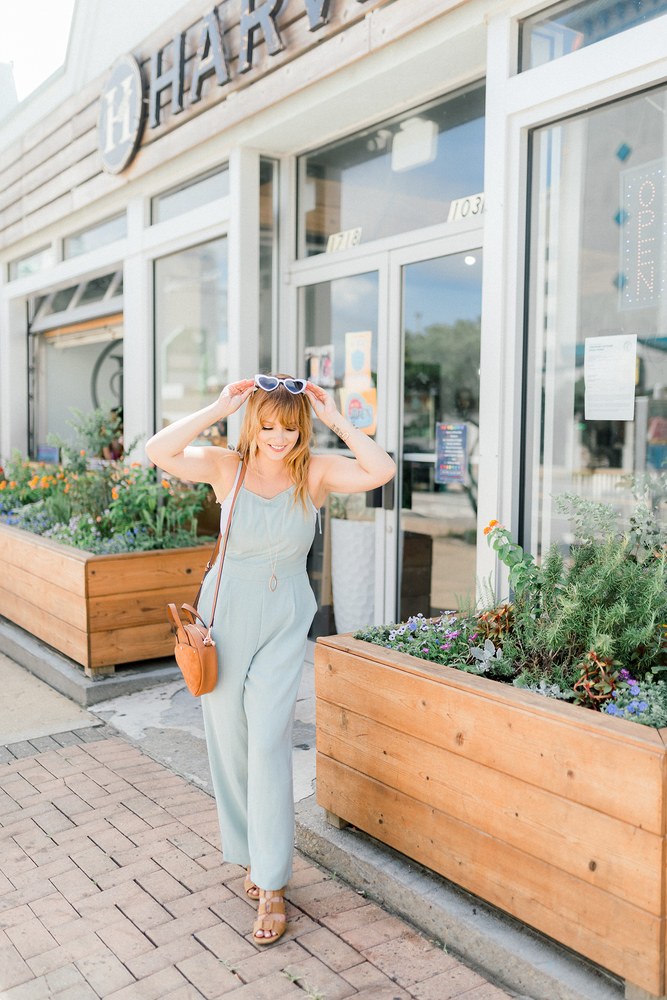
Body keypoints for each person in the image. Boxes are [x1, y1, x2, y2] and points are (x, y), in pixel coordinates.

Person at [145, 375, 395, 944]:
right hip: (225, 616)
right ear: (251, 425)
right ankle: (252, 856)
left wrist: (335, 420)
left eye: (288, 427)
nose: (278, 438)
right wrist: (218, 407)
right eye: (266, 426)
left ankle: (274, 881)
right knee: (229, 741)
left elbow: (380, 470)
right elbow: (157, 451)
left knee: (266, 742)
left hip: (284, 621)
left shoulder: (316, 474)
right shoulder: (225, 467)